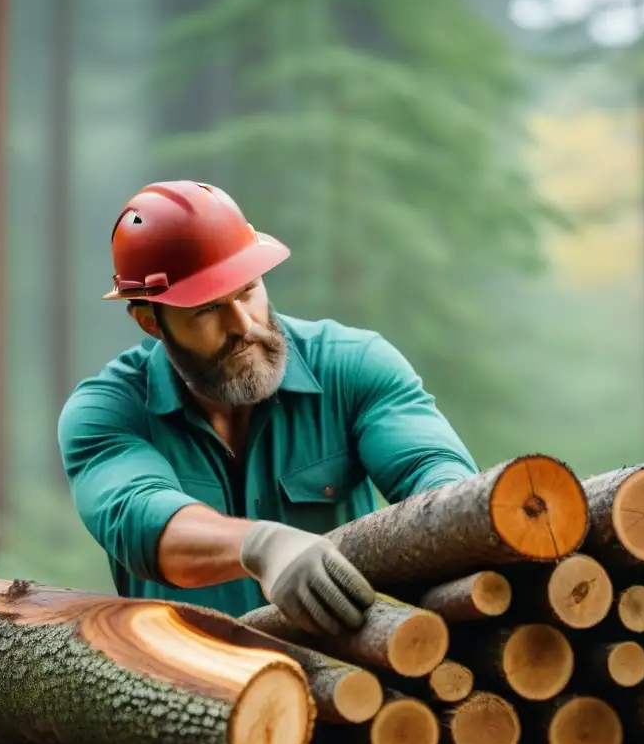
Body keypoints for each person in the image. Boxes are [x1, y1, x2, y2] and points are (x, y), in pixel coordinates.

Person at [57, 180, 479, 636]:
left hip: (359, 681)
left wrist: (458, 520)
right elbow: (140, 518)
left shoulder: (352, 366)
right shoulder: (106, 413)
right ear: (150, 321)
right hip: (187, 693)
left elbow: (433, 469)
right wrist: (260, 545)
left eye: (247, 292)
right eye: (207, 309)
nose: (242, 325)